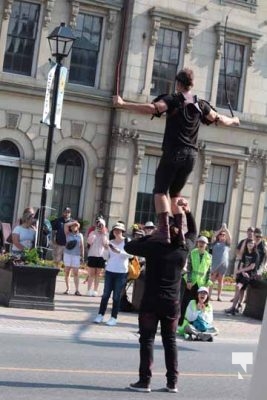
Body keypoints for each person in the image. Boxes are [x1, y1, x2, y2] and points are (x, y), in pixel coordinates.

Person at [113, 68, 240, 243]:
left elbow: (153, 108)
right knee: (175, 195)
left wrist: (123, 104)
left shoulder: (173, 100)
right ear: (192, 85)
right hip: (191, 157)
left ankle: (164, 231)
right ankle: (179, 232)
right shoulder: (201, 105)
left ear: (178, 84)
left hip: (174, 152)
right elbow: (220, 119)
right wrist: (234, 121)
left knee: (159, 191)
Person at [124, 198, 197, 393]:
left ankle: (144, 381)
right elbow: (193, 233)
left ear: (162, 231)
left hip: (151, 301)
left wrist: (152, 236)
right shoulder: (183, 249)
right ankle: (172, 382)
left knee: (147, 340)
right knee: (170, 341)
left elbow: (129, 247)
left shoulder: (154, 246)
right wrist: (188, 212)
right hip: (171, 303)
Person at [94, 222, 132, 326]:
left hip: (121, 272)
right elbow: (106, 257)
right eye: (115, 230)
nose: (117, 232)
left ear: (123, 231)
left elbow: (131, 255)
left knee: (116, 296)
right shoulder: (110, 241)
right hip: (110, 270)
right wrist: (106, 249)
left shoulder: (127, 241)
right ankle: (100, 315)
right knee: (105, 294)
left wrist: (119, 251)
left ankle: (113, 317)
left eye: (119, 230)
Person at [179, 235, 212, 326]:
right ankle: (182, 321)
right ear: (197, 243)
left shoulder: (208, 256)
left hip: (201, 283)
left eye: (203, 243)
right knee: (186, 301)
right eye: (200, 242)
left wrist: (207, 283)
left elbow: (209, 271)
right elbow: (189, 268)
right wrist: (189, 280)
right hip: (192, 281)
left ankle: (196, 321)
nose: (201, 244)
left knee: (199, 302)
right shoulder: (192, 253)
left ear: (206, 245)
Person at [225, 239, 259, 315]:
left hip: (250, 275)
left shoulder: (255, 254)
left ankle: (233, 308)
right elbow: (241, 264)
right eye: (249, 243)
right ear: (246, 245)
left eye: (252, 243)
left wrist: (241, 271)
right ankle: (238, 307)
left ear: (254, 245)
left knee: (238, 287)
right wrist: (242, 272)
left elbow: (252, 267)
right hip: (243, 274)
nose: (250, 245)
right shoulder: (245, 253)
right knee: (241, 290)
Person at [209, 224, 231, 301]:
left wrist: (226, 230)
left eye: (224, 235)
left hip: (223, 264)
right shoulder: (215, 243)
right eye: (221, 235)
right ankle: (209, 295)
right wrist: (221, 229)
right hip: (215, 264)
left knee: (221, 280)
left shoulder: (227, 244)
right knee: (212, 280)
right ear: (219, 236)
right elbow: (213, 236)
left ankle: (219, 296)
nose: (222, 236)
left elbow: (230, 238)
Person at [87, 217, 109, 296]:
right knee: (91, 274)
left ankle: (95, 290)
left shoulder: (106, 234)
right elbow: (89, 242)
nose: (99, 226)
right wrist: (95, 233)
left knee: (98, 274)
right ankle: (89, 290)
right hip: (92, 255)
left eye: (101, 225)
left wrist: (103, 234)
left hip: (101, 256)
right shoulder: (92, 232)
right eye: (98, 224)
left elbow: (106, 245)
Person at [63, 220, 84, 295]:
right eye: (72, 226)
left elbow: (82, 246)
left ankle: (77, 290)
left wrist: (82, 256)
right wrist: (73, 223)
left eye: (75, 226)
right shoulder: (68, 234)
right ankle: (68, 289)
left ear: (78, 227)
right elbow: (65, 225)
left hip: (76, 255)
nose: (74, 227)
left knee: (76, 273)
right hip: (68, 254)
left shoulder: (80, 235)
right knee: (67, 272)